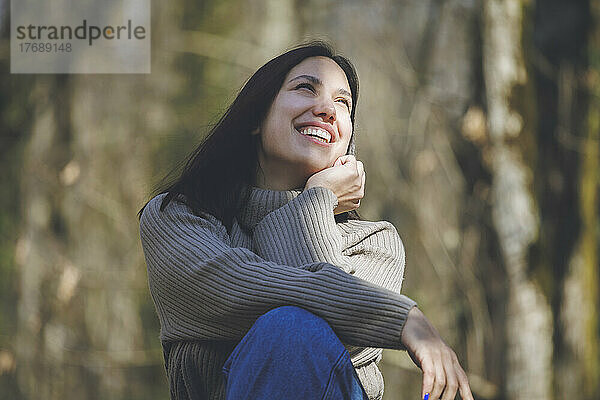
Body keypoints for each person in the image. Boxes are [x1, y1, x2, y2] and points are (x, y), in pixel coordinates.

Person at [139, 42, 473, 400]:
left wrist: (313, 203)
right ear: (255, 116)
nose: (328, 110)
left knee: (294, 329)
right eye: (305, 88)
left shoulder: (376, 242)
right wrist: (401, 318)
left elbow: (332, 338)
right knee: (287, 327)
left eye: (343, 103)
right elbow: (238, 291)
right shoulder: (178, 217)